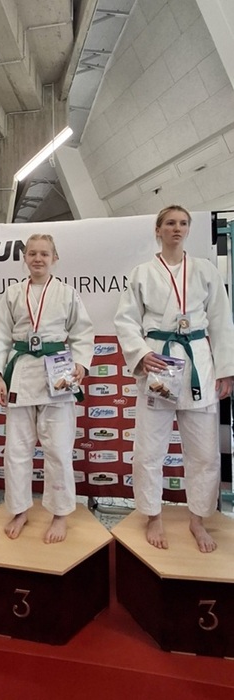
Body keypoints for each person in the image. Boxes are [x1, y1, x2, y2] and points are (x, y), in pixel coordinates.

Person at [114, 205, 234, 553]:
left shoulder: (205, 270)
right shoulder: (142, 273)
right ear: (158, 230)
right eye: (169, 223)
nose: (176, 228)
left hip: (198, 362)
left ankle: (198, 518)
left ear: (189, 229)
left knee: (204, 452)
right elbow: (125, 321)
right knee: (149, 449)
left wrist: (226, 369)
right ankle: (153, 514)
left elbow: (221, 320)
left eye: (182, 223)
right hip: (159, 362)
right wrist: (140, 353)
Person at [0, 234, 94, 543]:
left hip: (58, 372)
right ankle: (19, 509)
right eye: (32, 253)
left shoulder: (67, 293)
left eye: (44, 253)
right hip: (21, 373)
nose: (38, 258)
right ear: (25, 258)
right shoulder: (12, 293)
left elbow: (83, 332)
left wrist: (81, 364)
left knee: (58, 448)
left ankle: (60, 514)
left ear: (54, 258)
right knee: (17, 450)